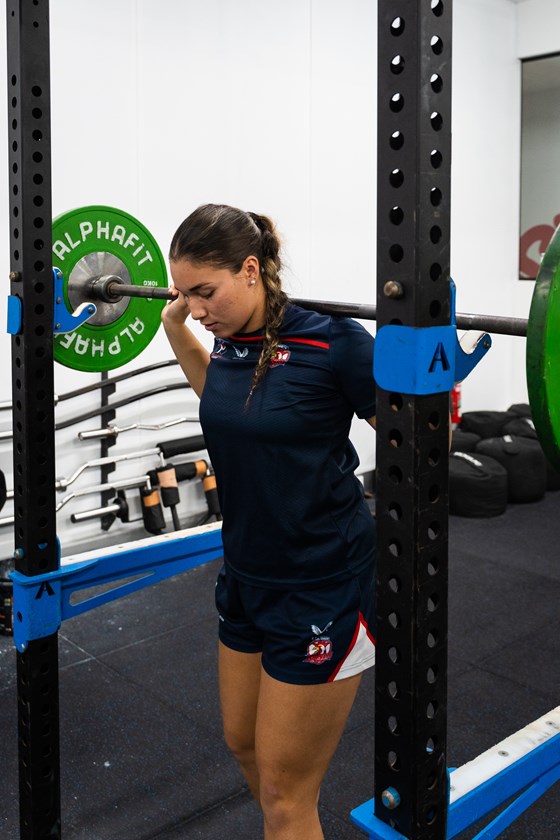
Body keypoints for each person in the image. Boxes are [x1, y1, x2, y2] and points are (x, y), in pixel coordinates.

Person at [162, 203, 376, 840]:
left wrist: (428, 372)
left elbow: (427, 446)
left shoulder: (334, 342)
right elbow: (226, 401)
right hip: (247, 576)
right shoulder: (228, 339)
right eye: (185, 294)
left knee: (286, 795)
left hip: (322, 583)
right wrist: (177, 329)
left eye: (205, 292)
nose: (197, 308)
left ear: (251, 270)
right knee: (244, 746)